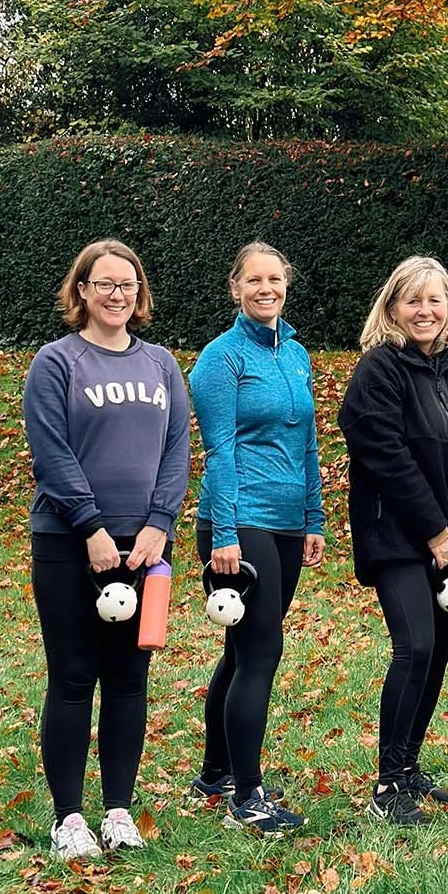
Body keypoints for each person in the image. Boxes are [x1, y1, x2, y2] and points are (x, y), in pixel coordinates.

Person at [24, 239, 191, 860]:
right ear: (82, 291)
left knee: (128, 681)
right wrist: (91, 527)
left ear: (138, 294)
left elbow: (177, 450)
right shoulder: (56, 363)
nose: (116, 294)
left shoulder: (162, 366)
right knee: (72, 678)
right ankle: (69, 818)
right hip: (69, 542)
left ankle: (119, 808)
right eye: (104, 284)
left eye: (127, 284)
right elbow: (51, 452)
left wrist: (159, 523)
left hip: (146, 544)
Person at [338, 257, 448, 826]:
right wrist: (435, 532)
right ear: (392, 308)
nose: (425, 311)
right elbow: (384, 455)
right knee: (417, 646)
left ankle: (408, 768)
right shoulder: (378, 370)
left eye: (435, 301)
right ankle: (386, 785)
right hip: (399, 537)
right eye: (413, 301)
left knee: (440, 653)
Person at [190, 241, 325, 833]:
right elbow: (218, 453)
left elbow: (309, 443)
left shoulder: (295, 354)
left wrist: (315, 519)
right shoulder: (220, 361)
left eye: (275, 279)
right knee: (261, 652)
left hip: (288, 523)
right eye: (254, 280)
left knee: (241, 651)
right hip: (238, 524)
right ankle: (247, 796)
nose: (266, 288)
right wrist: (224, 534)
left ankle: (213, 774)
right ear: (236, 288)